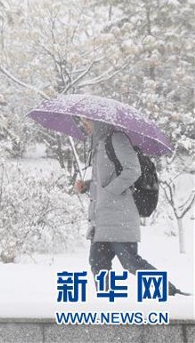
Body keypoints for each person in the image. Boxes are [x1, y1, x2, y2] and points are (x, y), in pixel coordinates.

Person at [73, 116, 189, 296]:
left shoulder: (116, 139)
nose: (84, 124)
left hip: (120, 216)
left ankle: (170, 292)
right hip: (101, 218)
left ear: (99, 121)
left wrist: (110, 191)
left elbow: (133, 170)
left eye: (88, 121)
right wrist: (85, 186)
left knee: (131, 262)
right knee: (97, 262)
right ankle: (106, 299)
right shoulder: (97, 146)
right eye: (83, 121)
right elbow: (103, 181)